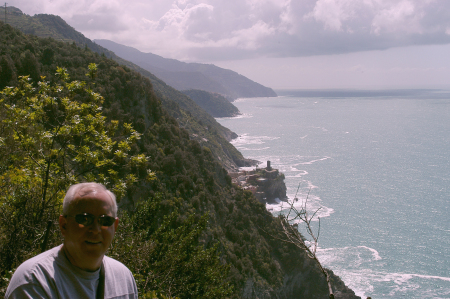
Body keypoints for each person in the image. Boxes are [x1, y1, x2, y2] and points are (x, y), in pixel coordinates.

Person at [5, 182, 138, 298]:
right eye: (85, 219)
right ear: (64, 225)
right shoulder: (35, 280)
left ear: (114, 227)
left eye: (105, 220)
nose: (96, 229)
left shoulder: (123, 278)